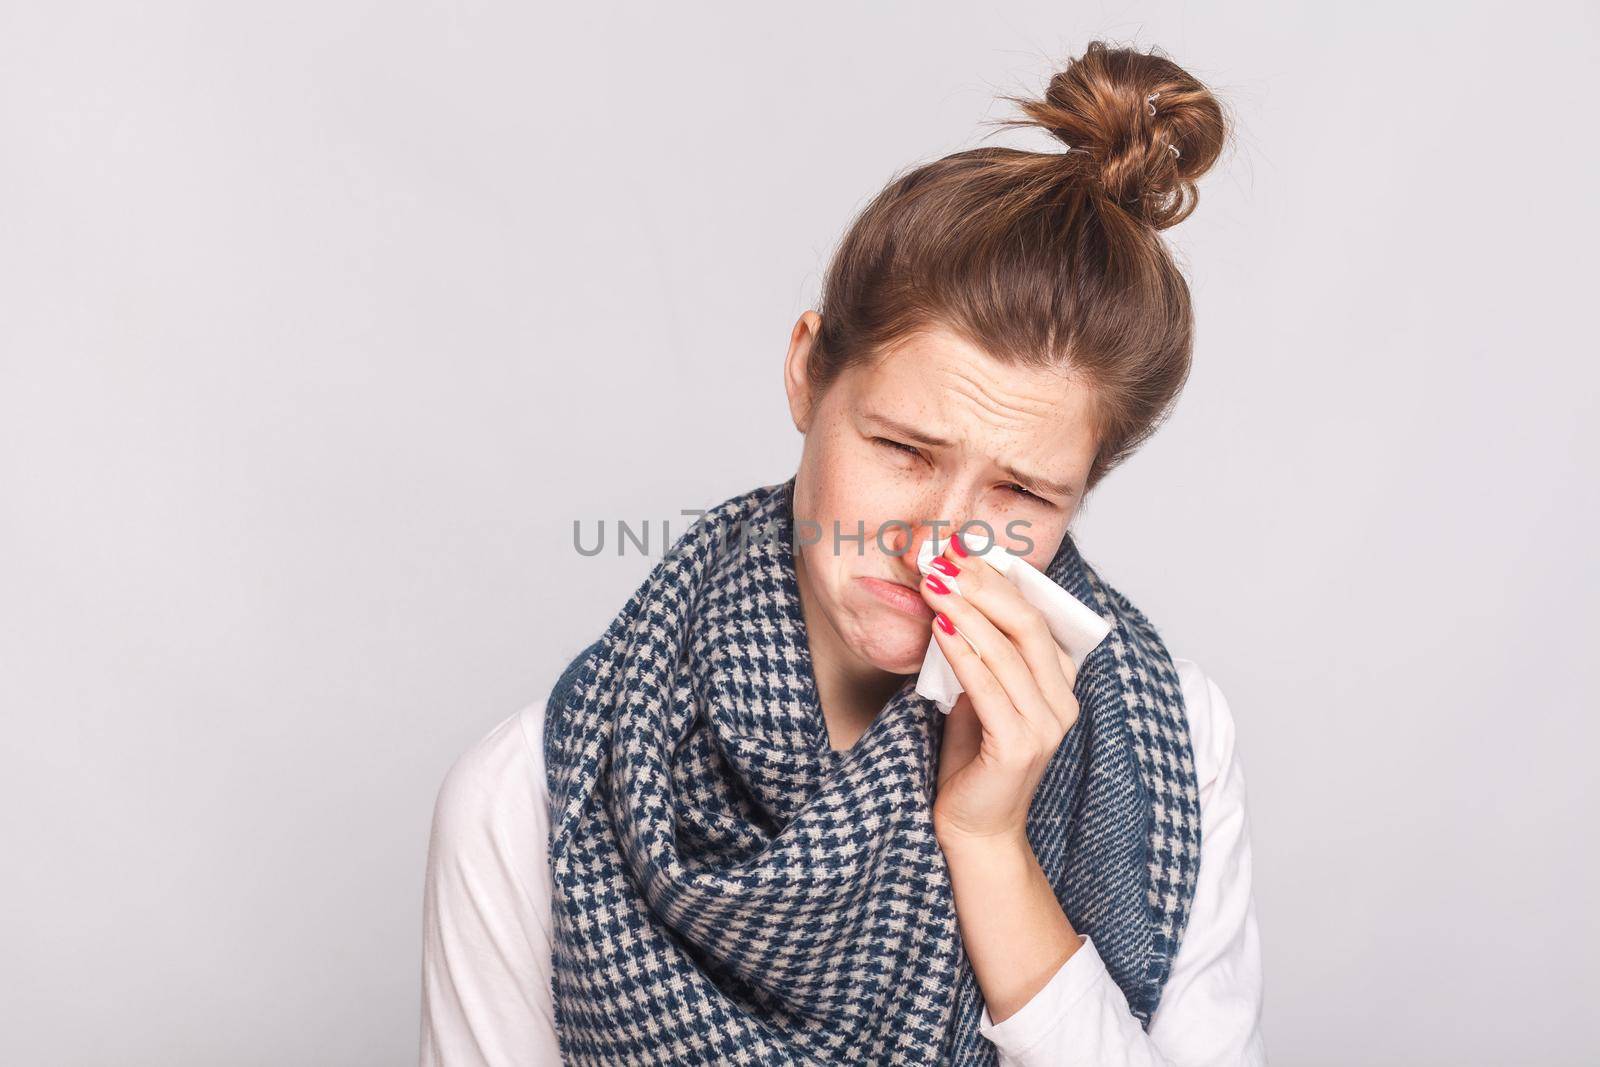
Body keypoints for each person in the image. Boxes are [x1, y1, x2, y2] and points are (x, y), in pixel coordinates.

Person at [419, 40, 1266, 1066]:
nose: (933, 542)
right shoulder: (535, 794)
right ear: (806, 373)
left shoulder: (1167, 739)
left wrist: (993, 849)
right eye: (903, 449)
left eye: (1019, 491)